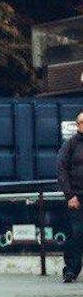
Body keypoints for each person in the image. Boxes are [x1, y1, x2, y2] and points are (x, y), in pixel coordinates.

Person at [57, 111, 83, 283]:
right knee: (76, 234)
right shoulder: (70, 145)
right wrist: (70, 195)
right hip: (77, 197)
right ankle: (71, 270)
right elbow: (61, 170)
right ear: (77, 125)